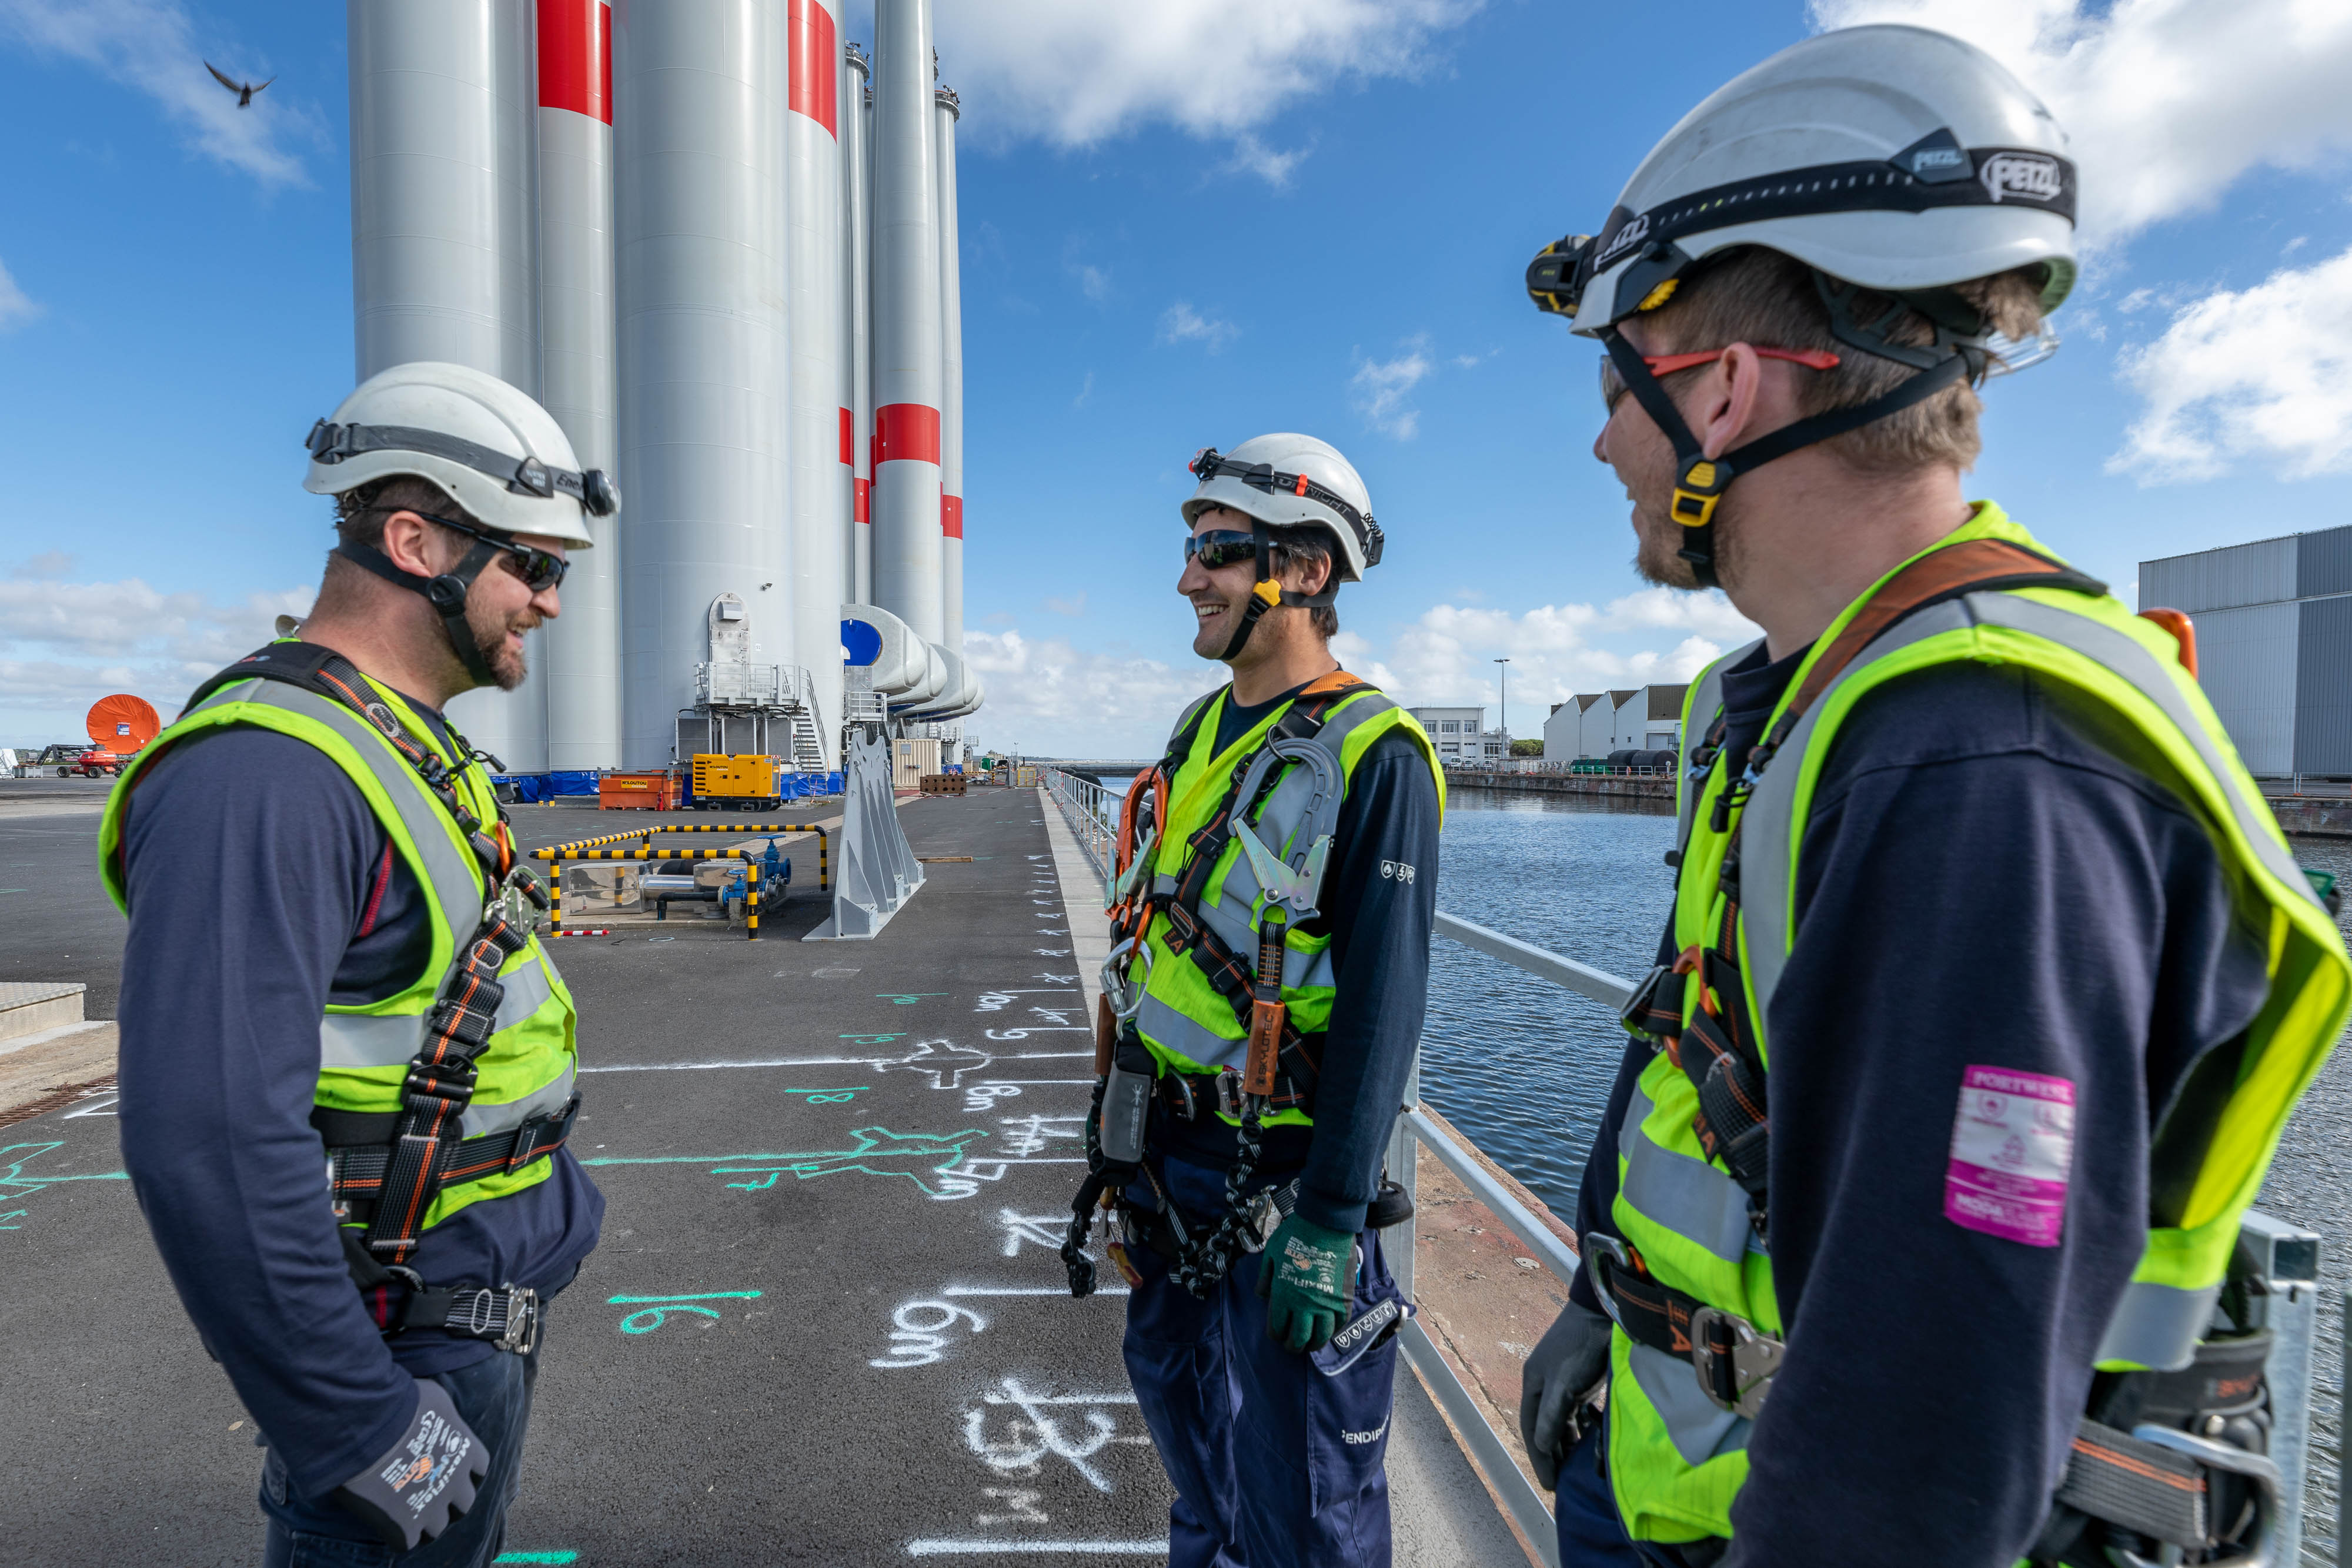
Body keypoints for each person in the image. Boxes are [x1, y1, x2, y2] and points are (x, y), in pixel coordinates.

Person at [1512, 25, 2352, 1568]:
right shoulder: (1812, 700)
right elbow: (1701, 1048)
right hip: (1678, 1469)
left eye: (1619, 383)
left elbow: (1931, 1408)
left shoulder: (1982, 761)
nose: (1601, 437)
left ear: (1723, 391)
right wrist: (1599, 1300)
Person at [99, 360, 617, 1566]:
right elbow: (208, 1137)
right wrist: (356, 1424)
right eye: (531, 566)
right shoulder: (265, 778)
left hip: (460, 1336)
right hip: (395, 1362)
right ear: (414, 540)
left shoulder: (396, 744)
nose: (547, 602)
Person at [1060, 434, 1443, 1566]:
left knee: (1306, 1513)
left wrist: (1331, 1224)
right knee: (1198, 1477)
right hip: (1167, 1171)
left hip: (1280, 1193)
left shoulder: (1378, 756)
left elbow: (1386, 1009)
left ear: (1309, 572)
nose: (1189, 577)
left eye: (1218, 552)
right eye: (1191, 550)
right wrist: (1114, 1135)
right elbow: (1150, 945)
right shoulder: (1198, 731)